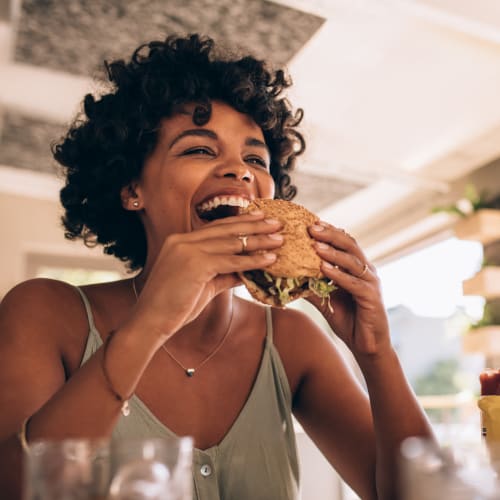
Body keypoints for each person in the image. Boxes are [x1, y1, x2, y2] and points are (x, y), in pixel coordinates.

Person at [0, 34, 433, 499]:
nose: (240, 171)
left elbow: (422, 496)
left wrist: (376, 352)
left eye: (254, 158)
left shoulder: (292, 341)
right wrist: (150, 325)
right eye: (199, 150)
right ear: (131, 189)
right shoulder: (44, 312)